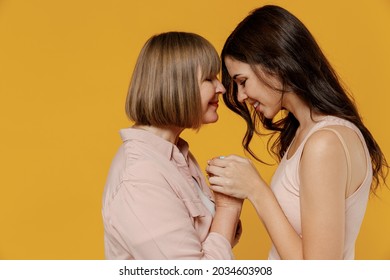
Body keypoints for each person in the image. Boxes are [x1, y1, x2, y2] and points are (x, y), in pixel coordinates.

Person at [206, 5, 388, 260]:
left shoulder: (325, 143)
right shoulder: (309, 135)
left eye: (242, 82)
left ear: (275, 64)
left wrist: (256, 189)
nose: (241, 96)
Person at [102, 31, 242, 260]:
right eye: (209, 78)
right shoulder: (141, 176)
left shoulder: (176, 155)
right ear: (177, 86)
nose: (222, 88)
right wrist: (228, 208)